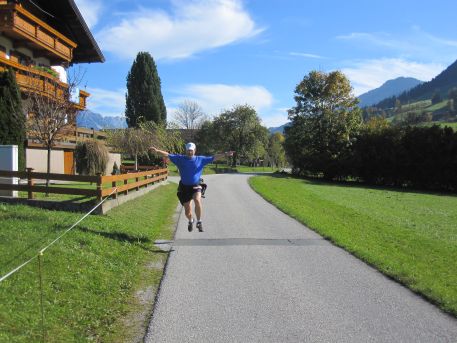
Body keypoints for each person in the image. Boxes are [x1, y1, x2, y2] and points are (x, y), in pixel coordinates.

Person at [150, 142, 233, 232]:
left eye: (191, 151)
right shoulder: (180, 159)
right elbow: (168, 154)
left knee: (197, 200)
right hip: (184, 188)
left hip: (196, 186)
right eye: (188, 151)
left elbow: (214, 157)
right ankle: (191, 220)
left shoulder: (200, 159)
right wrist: (157, 151)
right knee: (187, 211)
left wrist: (225, 154)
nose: (190, 152)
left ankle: (199, 222)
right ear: (186, 150)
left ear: (195, 150)